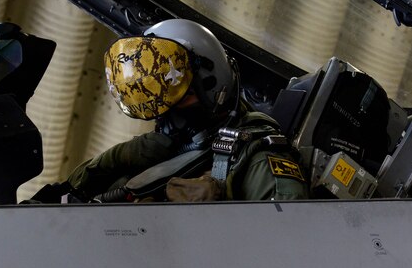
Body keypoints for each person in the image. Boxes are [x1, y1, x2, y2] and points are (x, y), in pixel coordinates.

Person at [33, 19, 308, 203]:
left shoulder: (258, 157)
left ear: (213, 86)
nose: (168, 111)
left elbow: (290, 244)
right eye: (160, 97)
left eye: (180, 93)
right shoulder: (152, 153)